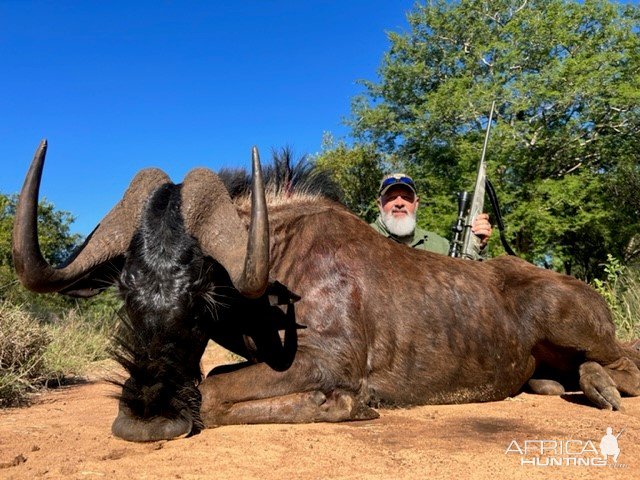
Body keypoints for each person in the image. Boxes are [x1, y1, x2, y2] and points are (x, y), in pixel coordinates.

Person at [370, 173, 492, 258]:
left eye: (407, 197)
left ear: (416, 203)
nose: (399, 203)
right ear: (379, 204)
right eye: (391, 198)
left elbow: (468, 282)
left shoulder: (440, 246)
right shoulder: (364, 238)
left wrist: (478, 246)